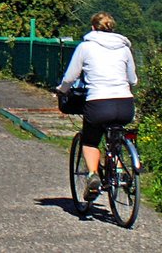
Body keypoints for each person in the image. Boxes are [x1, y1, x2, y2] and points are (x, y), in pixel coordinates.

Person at [56, 11, 138, 201]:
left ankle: (93, 175)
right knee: (115, 137)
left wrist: (61, 90)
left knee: (90, 140)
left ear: (93, 28)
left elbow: (70, 77)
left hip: (99, 104)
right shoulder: (124, 48)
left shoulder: (86, 47)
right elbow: (133, 80)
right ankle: (119, 169)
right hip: (125, 105)